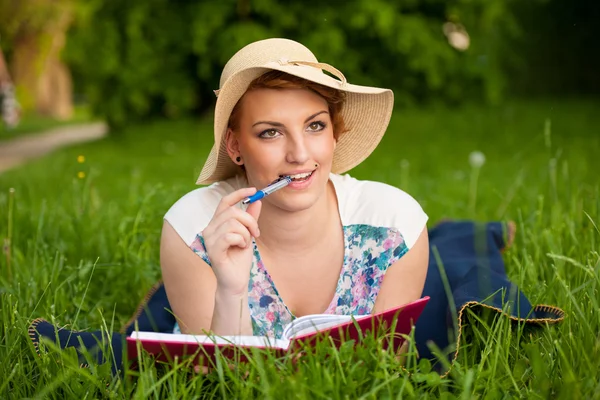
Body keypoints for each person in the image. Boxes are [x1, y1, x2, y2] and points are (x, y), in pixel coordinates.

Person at [29, 38, 563, 377]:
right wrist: (231, 283)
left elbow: (386, 373)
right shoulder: (192, 228)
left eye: (314, 126)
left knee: (459, 268)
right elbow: (217, 378)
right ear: (235, 146)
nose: (300, 154)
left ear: (335, 134)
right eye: (269, 133)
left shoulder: (394, 223)